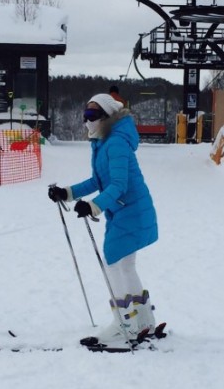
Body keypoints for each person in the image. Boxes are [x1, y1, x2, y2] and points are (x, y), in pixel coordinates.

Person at [48, 92, 160, 349]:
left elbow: (119, 185)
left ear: (107, 117)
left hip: (129, 212)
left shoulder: (116, 143)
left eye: (92, 115)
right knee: (125, 266)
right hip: (128, 211)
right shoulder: (105, 142)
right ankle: (143, 321)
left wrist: (94, 206)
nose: (87, 121)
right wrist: (67, 193)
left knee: (113, 264)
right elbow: (98, 181)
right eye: (84, 115)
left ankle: (124, 325)